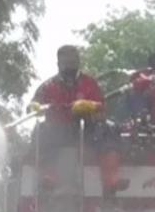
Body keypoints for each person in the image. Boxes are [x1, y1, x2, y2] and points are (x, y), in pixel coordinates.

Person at [29, 45, 128, 196]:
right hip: (58, 130)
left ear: (78, 62)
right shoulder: (48, 86)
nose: (70, 66)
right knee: (40, 130)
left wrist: (91, 106)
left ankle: (111, 180)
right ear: (59, 64)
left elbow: (103, 109)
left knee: (110, 128)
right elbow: (33, 105)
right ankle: (48, 176)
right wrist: (33, 106)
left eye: (73, 62)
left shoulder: (90, 83)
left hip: (87, 130)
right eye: (66, 63)